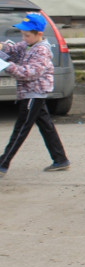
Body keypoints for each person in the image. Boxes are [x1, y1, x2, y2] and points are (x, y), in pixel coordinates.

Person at [0, 13, 70, 175]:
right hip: (32, 93)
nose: (23, 38)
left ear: (39, 34)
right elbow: (14, 49)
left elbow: (29, 73)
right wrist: (2, 47)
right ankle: (60, 159)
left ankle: (3, 163)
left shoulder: (42, 51)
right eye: (22, 35)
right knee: (46, 126)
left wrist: (6, 66)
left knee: (21, 129)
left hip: (33, 93)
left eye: (27, 35)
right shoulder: (28, 45)